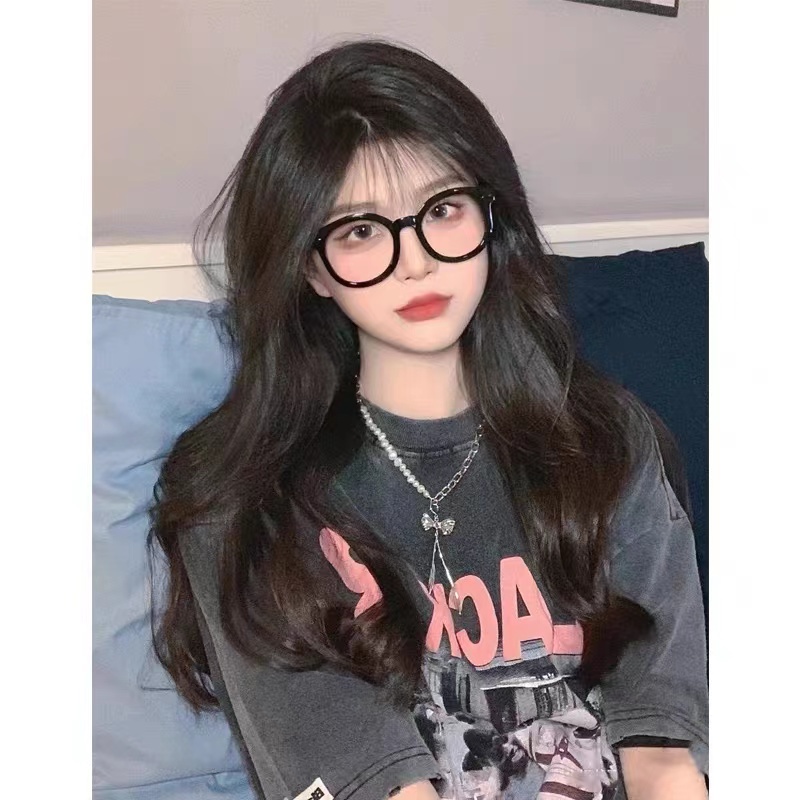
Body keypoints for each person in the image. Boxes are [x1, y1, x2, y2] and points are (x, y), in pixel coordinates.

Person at [148, 39, 708, 800]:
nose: (415, 261)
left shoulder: (607, 439)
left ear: (490, 218)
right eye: (359, 230)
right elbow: (370, 781)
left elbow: (663, 752)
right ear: (310, 267)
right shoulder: (248, 505)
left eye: (442, 210)